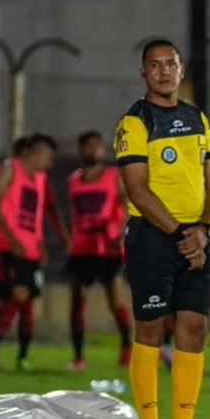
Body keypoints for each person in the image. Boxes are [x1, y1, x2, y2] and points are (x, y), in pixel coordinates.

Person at [114, 38, 210, 419]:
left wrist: (204, 232)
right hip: (153, 238)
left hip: (197, 239)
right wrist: (183, 236)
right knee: (151, 327)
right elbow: (138, 191)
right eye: (155, 65)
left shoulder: (197, 117)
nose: (164, 71)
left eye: (170, 64)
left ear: (182, 70)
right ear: (143, 72)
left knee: (194, 327)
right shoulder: (134, 122)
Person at [0, 134, 60, 372]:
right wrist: (10, 238)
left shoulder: (39, 179)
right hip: (5, 247)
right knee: (7, 299)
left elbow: (34, 216)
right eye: (48, 157)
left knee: (23, 297)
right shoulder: (9, 169)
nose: (50, 163)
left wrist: (39, 244)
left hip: (27, 250)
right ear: (35, 153)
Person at [66, 130, 132, 369]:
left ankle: (127, 347)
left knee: (115, 301)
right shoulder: (74, 179)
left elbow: (128, 205)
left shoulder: (114, 176)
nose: (93, 150)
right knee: (77, 303)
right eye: (88, 146)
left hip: (108, 248)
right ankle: (78, 356)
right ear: (80, 149)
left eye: (97, 146)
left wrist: (120, 233)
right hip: (81, 248)